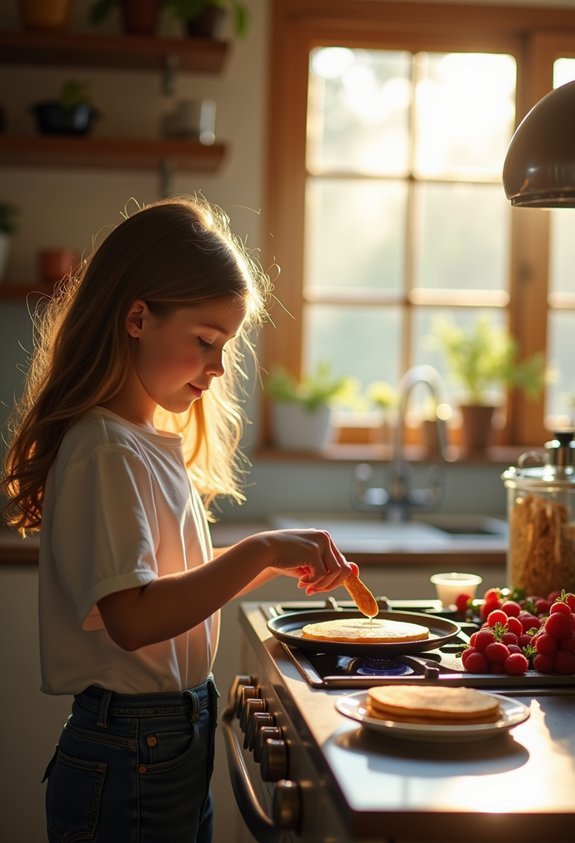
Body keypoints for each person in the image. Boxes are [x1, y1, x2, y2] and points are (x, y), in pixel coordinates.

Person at [2, 196, 354, 843]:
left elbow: (166, 594)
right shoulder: (105, 448)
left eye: (225, 346)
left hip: (164, 738)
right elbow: (134, 619)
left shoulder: (138, 442)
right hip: (134, 747)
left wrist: (273, 557)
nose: (218, 367)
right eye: (205, 341)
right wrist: (259, 550)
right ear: (137, 318)